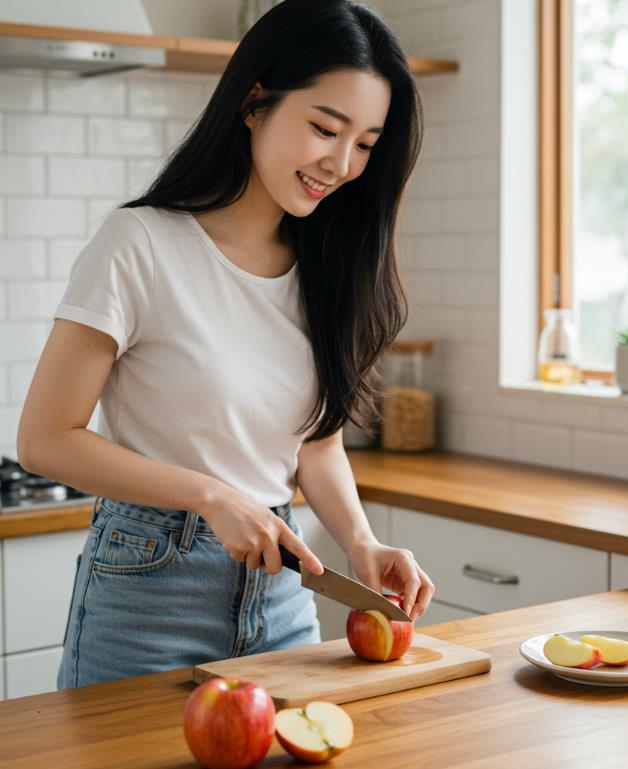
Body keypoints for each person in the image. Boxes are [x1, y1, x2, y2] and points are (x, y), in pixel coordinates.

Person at [16, 0, 435, 689]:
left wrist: (361, 541)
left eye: (365, 143)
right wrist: (212, 495)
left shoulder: (328, 267)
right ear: (253, 103)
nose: (341, 163)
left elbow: (314, 443)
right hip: (148, 588)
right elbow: (45, 440)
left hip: (285, 590)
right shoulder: (139, 243)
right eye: (325, 128)